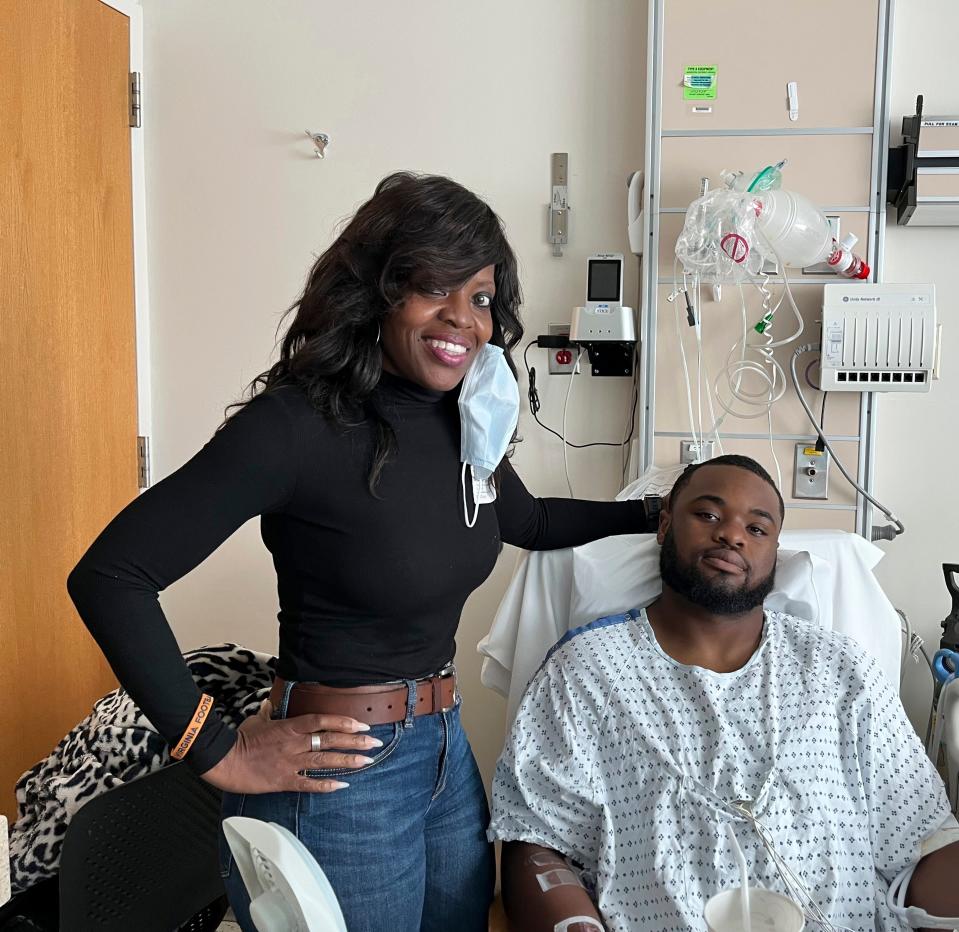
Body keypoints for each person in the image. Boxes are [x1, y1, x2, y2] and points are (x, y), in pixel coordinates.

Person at [67, 172, 664, 932]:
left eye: (480, 297)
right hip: (340, 771)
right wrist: (215, 748)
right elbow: (111, 576)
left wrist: (655, 513)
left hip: (445, 754)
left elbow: (533, 520)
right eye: (431, 287)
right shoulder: (295, 426)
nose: (462, 318)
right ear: (377, 292)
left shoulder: (465, 424)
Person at [490, 455, 959, 932]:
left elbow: (929, 839)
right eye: (708, 514)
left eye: (757, 528)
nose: (732, 534)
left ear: (773, 553)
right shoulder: (587, 671)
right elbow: (535, 839)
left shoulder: (841, 672)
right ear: (665, 524)